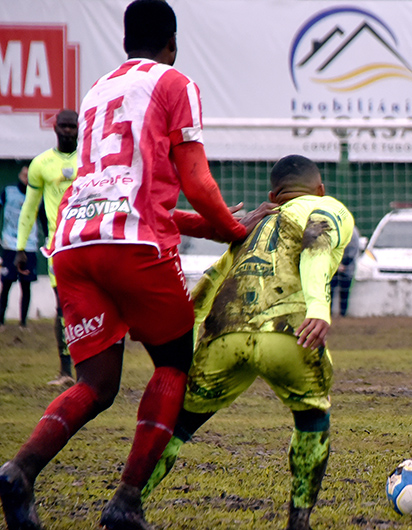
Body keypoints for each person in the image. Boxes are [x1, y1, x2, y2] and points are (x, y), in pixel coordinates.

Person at [0, 2, 268, 529]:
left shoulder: (97, 91)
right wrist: (236, 232)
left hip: (74, 246)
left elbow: (138, 196)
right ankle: (126, 502)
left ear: (125, 42)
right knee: (173, 364)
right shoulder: (174, 82)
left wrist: (210, 227)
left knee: (96, 384)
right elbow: (195, 181)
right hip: (132, 250)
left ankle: (19, 471)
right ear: (172, 41)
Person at [139, 155, 354, 530]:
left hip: (225, 335)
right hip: (289, 333)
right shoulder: (326, 207)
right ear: (320, 189)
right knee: (312, 417)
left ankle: (129, 501)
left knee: (180, 426)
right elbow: (316, 246)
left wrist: (181, 341)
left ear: (273, 194)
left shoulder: (253, 224)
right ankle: (299, 519)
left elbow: (212, 278)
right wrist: (319, 308)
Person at [16, 109, 79, 385]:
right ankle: (66, 371)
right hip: (59, 246)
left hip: (90, 242)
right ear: (55, 128)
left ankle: (94, 367)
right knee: (64, 308)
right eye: (63, 126)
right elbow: (29, 208)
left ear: (80, 128)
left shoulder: (92, 159)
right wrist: (20, 247)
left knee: (94, 307)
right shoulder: (41, 163)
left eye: (72, 126)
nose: (67, 131)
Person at [0, 166, 46, 331]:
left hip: (29, 246)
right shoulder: (8, 192)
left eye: (30, 176)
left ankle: (23, 323)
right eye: (24, 175)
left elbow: (43, 219)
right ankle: (1, 321)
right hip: (10, 245)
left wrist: (47, 238)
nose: (26, 179)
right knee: (6, 284)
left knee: (26, 286)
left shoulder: (38, 195)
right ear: (19, 175)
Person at [331, 225, 360, 316]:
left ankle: (343, 314)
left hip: (347, 268)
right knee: (330, 290)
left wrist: (343, 264)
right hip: (333, 266)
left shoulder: (353, 232)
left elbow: (353, 251)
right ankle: (329, 313)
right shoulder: (333, 229)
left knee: (344, 292)